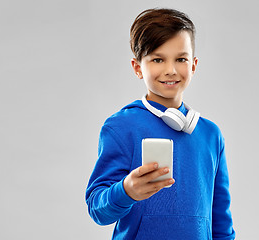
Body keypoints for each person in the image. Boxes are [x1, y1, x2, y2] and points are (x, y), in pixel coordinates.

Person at [85, 8, 235, 240]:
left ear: (193, 65)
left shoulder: (210, 134)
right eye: (157, 59)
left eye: (181, 59)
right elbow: (97, 209)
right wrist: (126, 191)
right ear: (137, 67)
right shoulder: (120, 127)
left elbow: (221, 220)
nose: (170, 70)